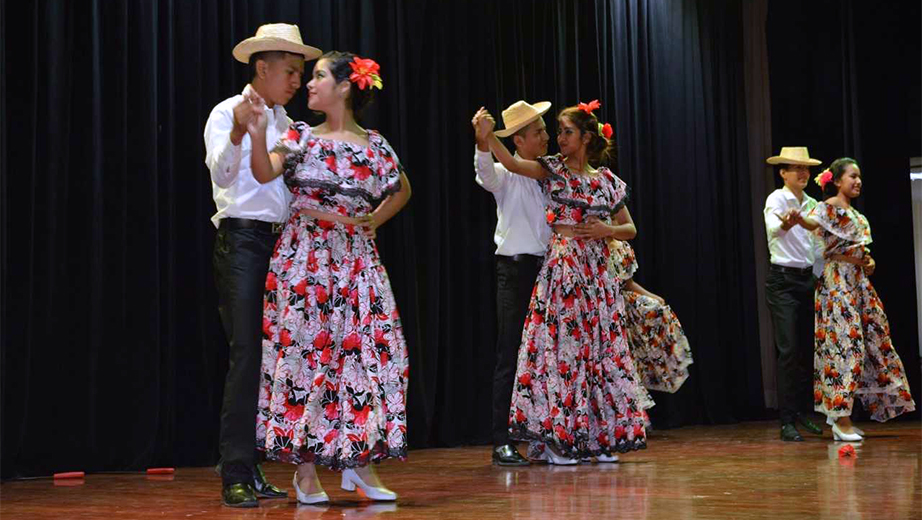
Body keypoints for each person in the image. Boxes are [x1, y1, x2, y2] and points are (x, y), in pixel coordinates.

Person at [249, 51, 412, 503]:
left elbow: (402, 188)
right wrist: (260, 131)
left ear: (344, 86)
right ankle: (305, 472)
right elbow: (264, 171)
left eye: (318, 76)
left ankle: (359, 461)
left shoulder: (374, 145)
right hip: (306, 260)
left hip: (356, 258)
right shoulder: (298, 136)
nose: (309, 84)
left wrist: (374, 220)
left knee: (369, 353)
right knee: (307, 358)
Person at [477, 100, 650, 465]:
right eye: (549, 132)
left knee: (594, 352)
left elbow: (629, 227)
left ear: (586, 137)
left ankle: (593, 434)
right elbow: (503, 166)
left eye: (562, 131)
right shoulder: (545, 170)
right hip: (549, 268)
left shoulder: (600, 179)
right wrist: (486, 136)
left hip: (590, 272)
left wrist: (606, 230)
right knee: (544, 354)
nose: (554, 137)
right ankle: (533, 438)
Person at [204, 23, 321, 507]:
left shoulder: (289, 124)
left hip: (282, 244)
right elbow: (222, 171)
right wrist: (237, 129)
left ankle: (253, 465)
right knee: (247, 352)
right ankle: (234, 467)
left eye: (300, 73)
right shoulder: (225, 112)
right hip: (244, 243)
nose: (296, 81)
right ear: (263, 68)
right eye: (290, 72)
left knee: (273, 359)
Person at [796, 158, 915, 441]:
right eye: (852, 176)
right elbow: (811, 221)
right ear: (837, 181)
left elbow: (860, 250)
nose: (858, 181)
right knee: (843, 345)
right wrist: (797, 219)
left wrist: (868, 262)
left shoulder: (859, 218)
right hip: (837, 283)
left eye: (860, 176)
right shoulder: (826, 209)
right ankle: (840, 419)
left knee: (873, 341)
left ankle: (842, 415)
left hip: (858, 283)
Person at [472, 101, 552, 466]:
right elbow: (486, 175)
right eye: (538, 132)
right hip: (515, 269)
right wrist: (482, 141)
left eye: (545, 130)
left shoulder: (549, 173)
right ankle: (501, 438)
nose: (546, 137)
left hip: (549, 269)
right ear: (519, 140)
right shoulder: (505, 173)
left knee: (548, 353)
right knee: (510, 352)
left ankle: (546, 433)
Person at [762, 147, 826, 442]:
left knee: (806, 351)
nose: (802, 173)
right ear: (783, 172)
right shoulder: (776, 198)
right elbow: (775, 230)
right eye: (795, 168)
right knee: (788, 350)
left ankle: (801, 412)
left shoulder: (814, 203)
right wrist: (788, 221)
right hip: (783, 282)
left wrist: (819, 277)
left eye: (806, 169)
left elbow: (818, 247)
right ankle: (786, 420)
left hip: (807, 280)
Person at [607, 239, 693, 397]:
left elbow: (628, 283)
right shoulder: (591, 248)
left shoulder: (622, 248)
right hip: (604, 310)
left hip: (622, 309)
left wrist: (652, 297)